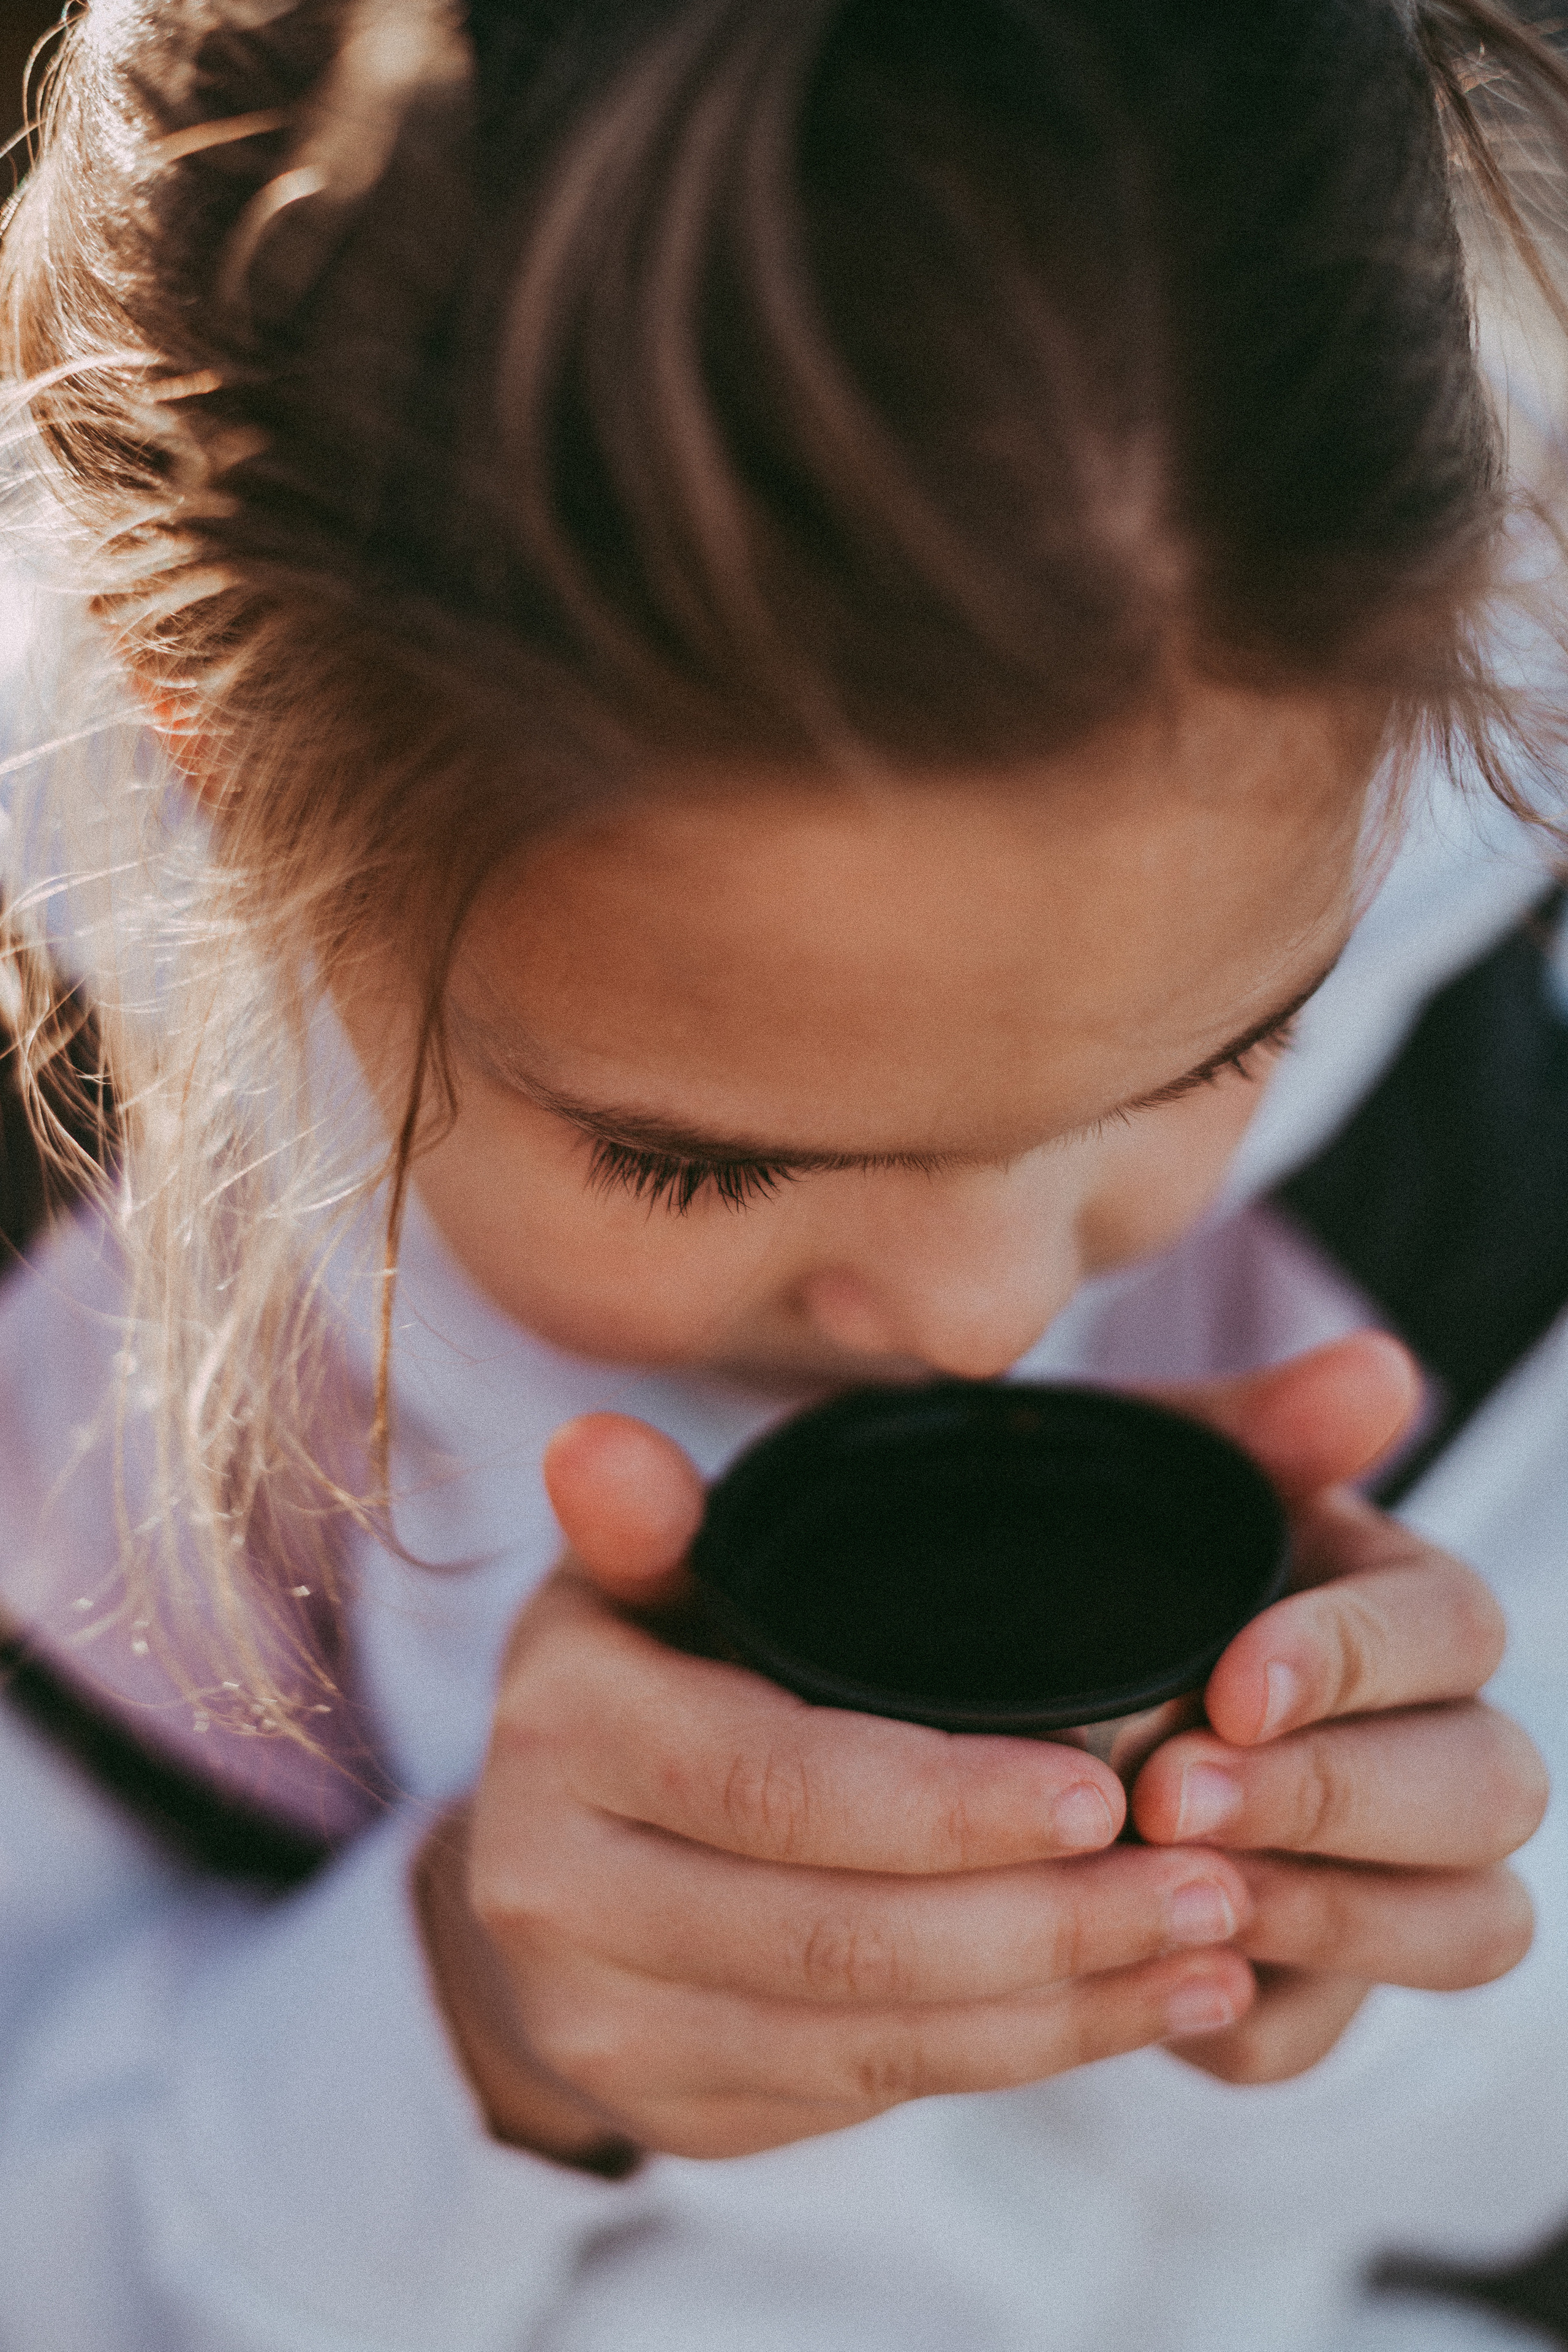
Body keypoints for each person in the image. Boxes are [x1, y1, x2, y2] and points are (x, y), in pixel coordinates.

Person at [0, 1, 1564, 2345]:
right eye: (700, 1163)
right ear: (217, 762)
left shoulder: (1494, 1092)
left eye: (1228, 1044)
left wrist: (1337, 1957)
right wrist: (466, 2035)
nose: (979, 1314)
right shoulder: (73, 1298)